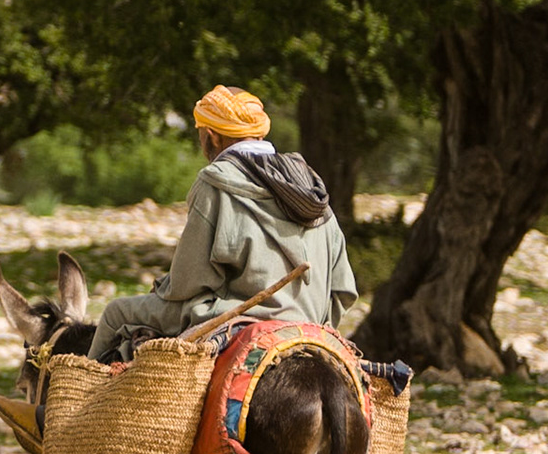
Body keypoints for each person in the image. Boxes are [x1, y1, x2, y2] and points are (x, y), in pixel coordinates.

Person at [87, 85, 358, 363]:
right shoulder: (310, 185)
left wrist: (163, 287)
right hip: (310, 324)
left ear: (212, 137)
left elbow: (188, 282)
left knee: (115, 313)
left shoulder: (215, 180)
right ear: (259, 131)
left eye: (201, 134)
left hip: (235, 317)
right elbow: (343, 290)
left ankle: (84, 402)